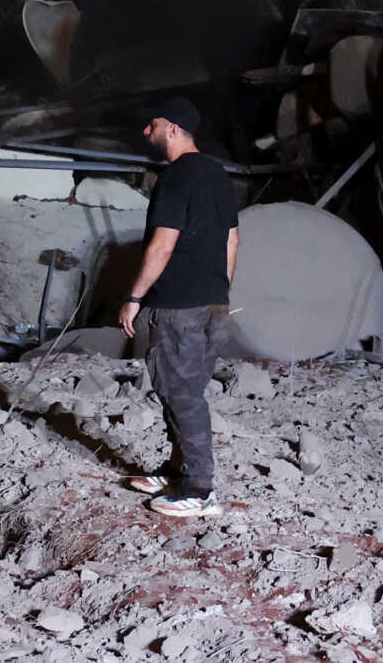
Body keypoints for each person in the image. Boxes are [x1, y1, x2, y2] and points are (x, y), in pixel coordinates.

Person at [119, 95, 241, 519]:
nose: (145, 132)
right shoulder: (218, 176)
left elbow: (162, 243)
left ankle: (199, 488)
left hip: (177, 306)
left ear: (171, 129)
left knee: (182, 395)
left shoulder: (175, 177)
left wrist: (134, 297)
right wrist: (218, 293)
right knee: (182, 389)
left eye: (151, 125)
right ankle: (177, 469)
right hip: (212, 303)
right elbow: (232, 240)